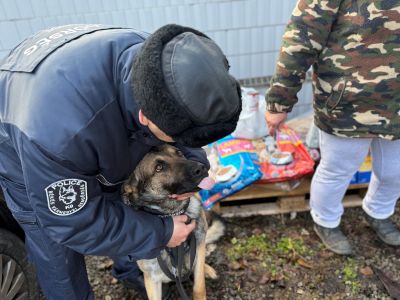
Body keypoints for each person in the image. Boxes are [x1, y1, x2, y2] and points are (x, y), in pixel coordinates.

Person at [0, 23, 241, 299]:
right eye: (178, 138)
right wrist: (160, 233)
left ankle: (130, 271)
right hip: (27, 152)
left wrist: (193, 169)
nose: (183, 144)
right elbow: (74, 223)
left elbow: (186, 132)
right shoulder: (57, 137)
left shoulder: (161, 64)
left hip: (84, 111)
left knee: (130, 200)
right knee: (60, 261)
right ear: (145, 117)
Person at [265, 0, 400, 255]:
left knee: (395, 171)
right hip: (347, 105)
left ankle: (379, 212)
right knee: (338, 170)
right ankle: (325, 221)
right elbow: (300, 39)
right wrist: (279, 101)